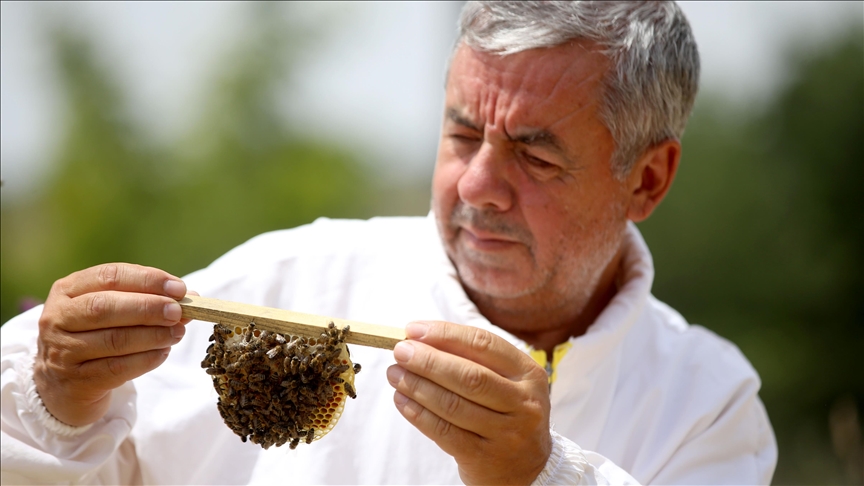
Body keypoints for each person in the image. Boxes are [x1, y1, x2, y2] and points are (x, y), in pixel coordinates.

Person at [1, 2, 777, 484]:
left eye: (535, 156)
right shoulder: (292, 280)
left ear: (647, 179)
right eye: (462, 133)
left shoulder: (705, 402)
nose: (477, 185)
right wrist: (56, 400)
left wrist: (539, 476)